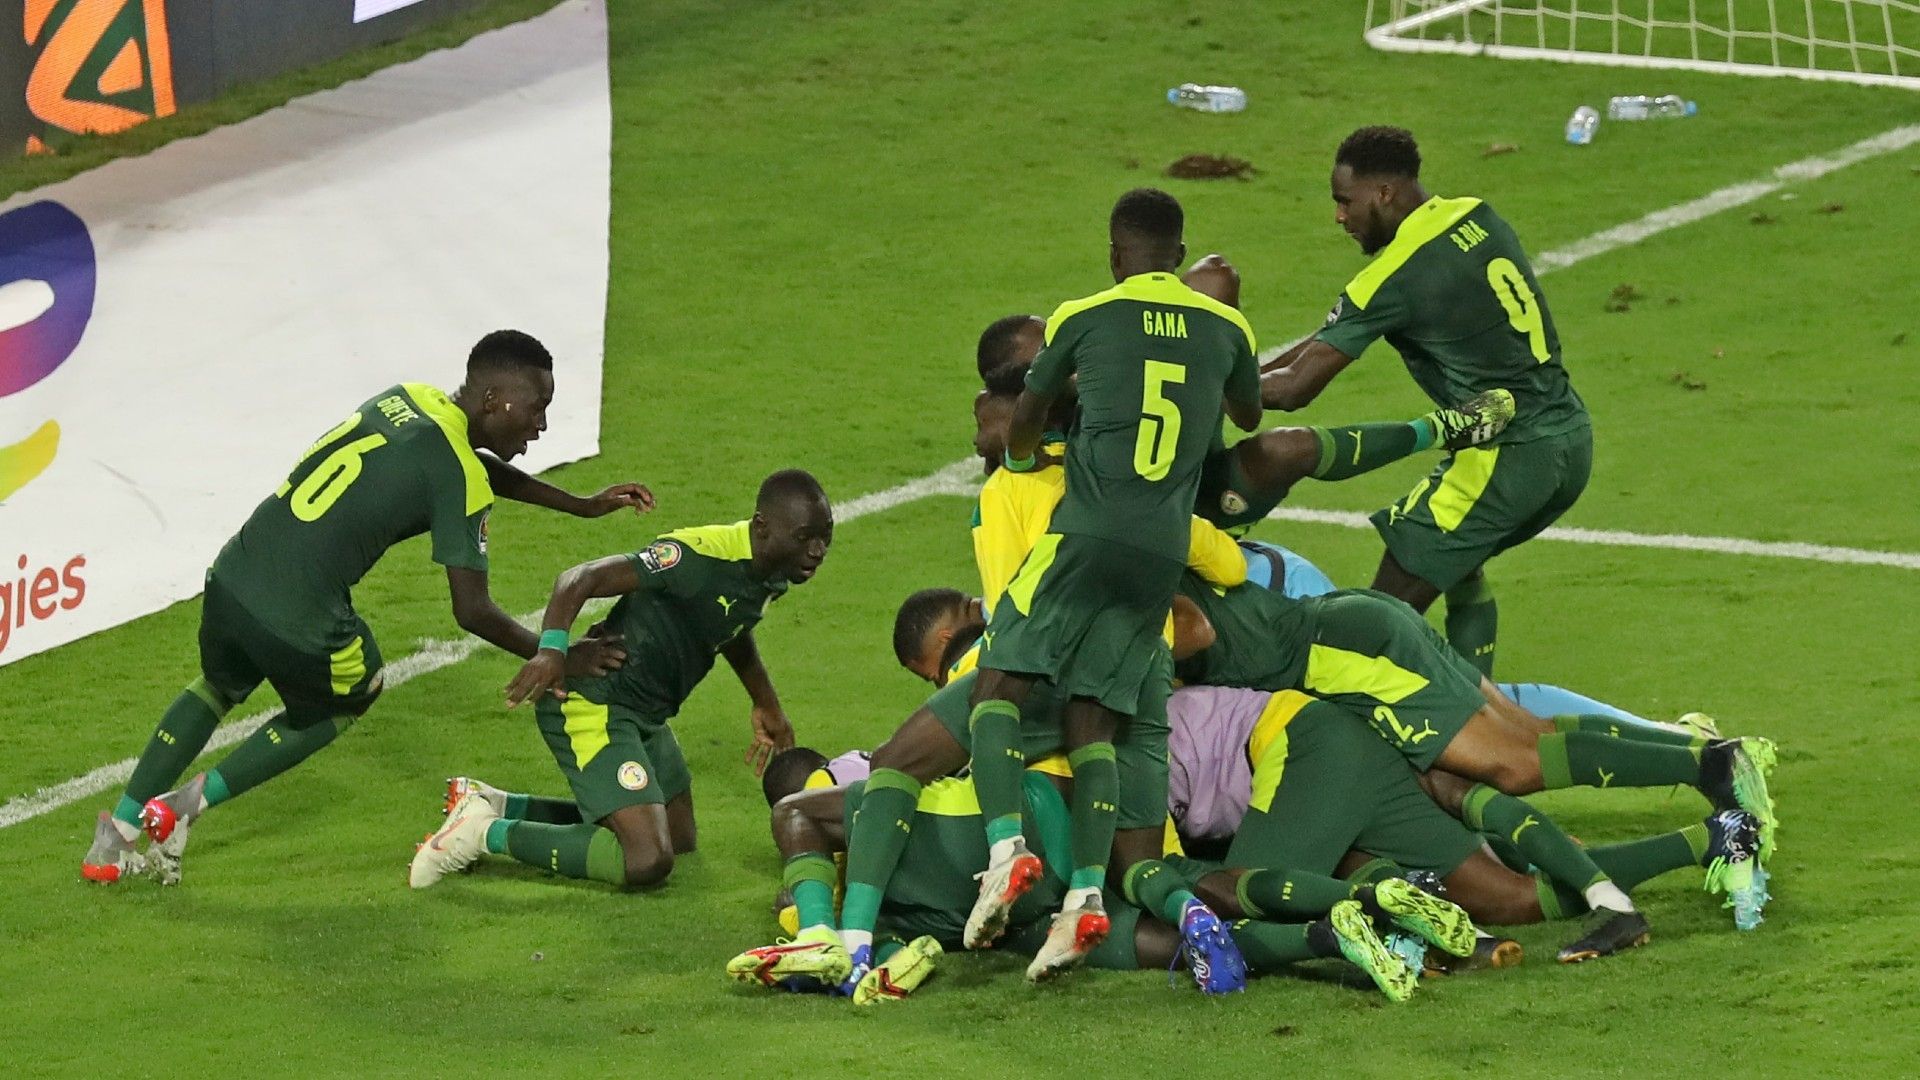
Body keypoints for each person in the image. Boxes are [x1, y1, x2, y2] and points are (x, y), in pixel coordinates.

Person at [83, 330, 650, 885]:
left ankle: (116, 837)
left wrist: (576, 505)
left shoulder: (409, 398)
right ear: (493, 400)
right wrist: (556, 654)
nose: (542, 424)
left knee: (218, 686)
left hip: (233, 575)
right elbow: (472, 610)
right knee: (356, 690)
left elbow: (466, 461)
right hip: (298, 615)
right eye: (536, 407)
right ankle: (185, 805)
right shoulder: (459, 477)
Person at [1174, 575, 1777, 957]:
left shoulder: (1132, 563)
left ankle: (1711, 765)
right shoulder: (1152, 531)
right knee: (1524, 741)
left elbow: (1195, 630)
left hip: (1337, 660)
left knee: (1512, 765)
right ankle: (1704, 803)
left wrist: (1143, 660)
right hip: (1345, 639)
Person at [1259, 126, 1593, 677]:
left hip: (1505, 460)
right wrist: (1245, 371)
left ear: (1383, 193)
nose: (1339, 217)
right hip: (1570, 442)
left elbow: (1295, 389)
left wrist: (1211, 384)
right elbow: (1323, 342)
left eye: (1345, 201)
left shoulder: (1394, 275)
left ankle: (1468, 723)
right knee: (1460, 566)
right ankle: (1477, 708)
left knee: (1368, 632)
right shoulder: (1475, 216)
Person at [408, 470, 832, 891]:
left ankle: (498, 805)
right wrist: (553, 651)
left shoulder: (773, 571)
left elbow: (730, 621)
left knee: (677, 837)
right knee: (646, 858)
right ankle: (479, 833)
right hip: (596, 702)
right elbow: (579, 579)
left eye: (824, 536)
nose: (817, 551)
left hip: (646, 712)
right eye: (804, 537)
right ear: (762, 526)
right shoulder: (698, 557)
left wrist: (765, 701)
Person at [729, 764, 1474, 1003]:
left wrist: (815, 922)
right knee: (1175, 910)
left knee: (1165, 917)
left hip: (998, 859)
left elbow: (799, 818)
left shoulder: (848, 795)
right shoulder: (858, 792)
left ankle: (1329, 928)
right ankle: (1342, 923)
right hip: (1041, 840)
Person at [1158, 685, 1767, 962]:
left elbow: (1160, 872)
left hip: (1315, 750)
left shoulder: (1132, 749)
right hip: (1350, 743)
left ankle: (1389, 913)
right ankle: (1715, 837)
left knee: (1237, 903)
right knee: (1505, 897)